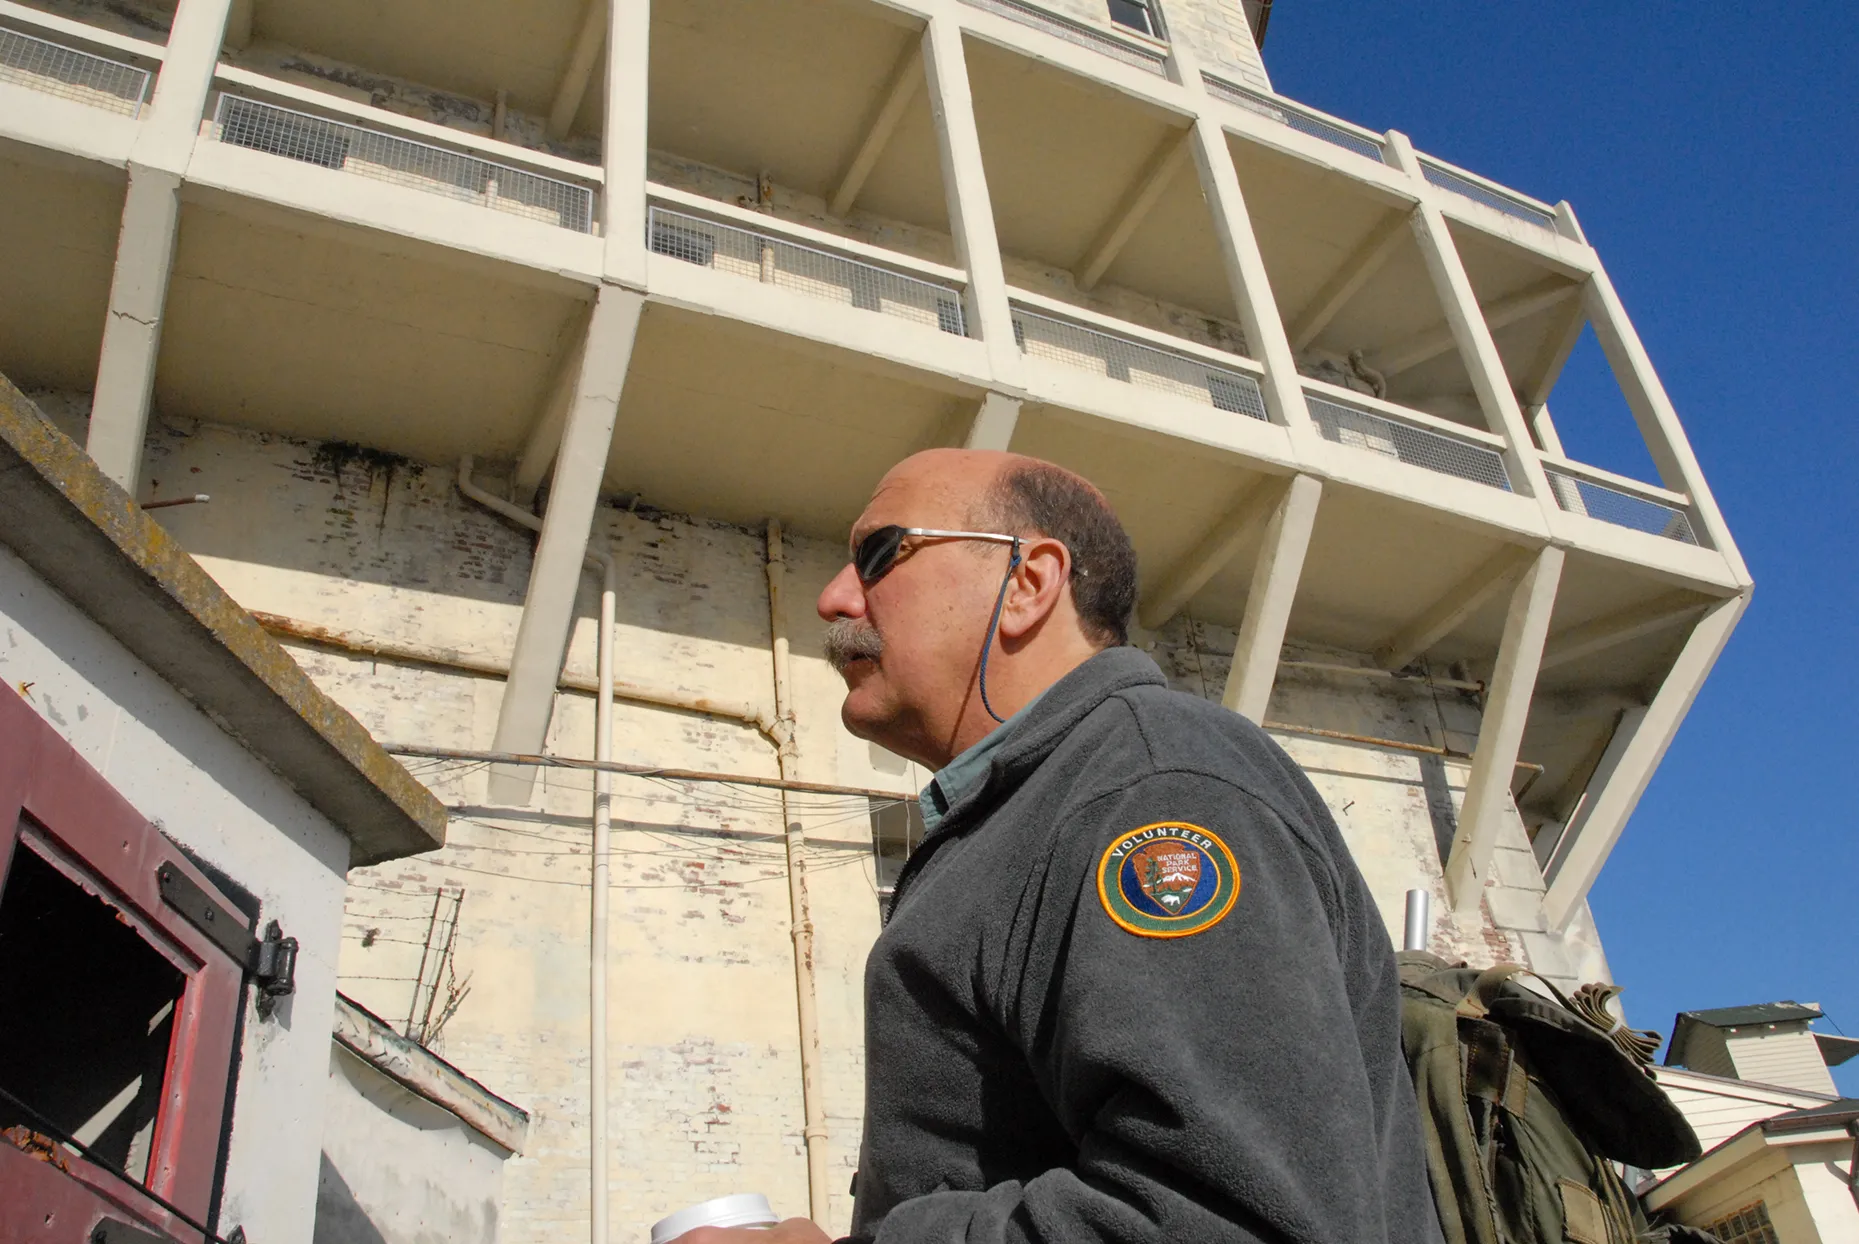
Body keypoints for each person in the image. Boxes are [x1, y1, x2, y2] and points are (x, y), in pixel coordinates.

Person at [675, 448, 1441, 1244]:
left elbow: (1233, 1220)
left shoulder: (1149, 784)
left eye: (878, 554)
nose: (835, 599)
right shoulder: (1033, 805)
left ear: (1027, 583)